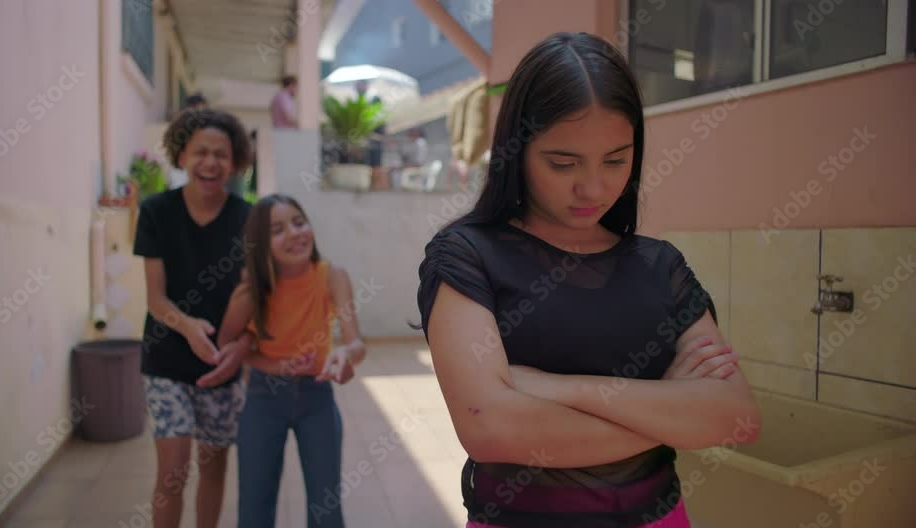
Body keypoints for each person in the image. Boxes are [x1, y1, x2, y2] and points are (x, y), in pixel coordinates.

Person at [414, 32, 761, 528]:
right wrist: (671, 414)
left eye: (616, 159)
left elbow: (737, 416)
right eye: (563, 163)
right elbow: (491, 431)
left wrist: (558, 388)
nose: (594, 187)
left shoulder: (661, 266)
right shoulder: (468, 256)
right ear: (517, 150)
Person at [211, 193, 367, 528]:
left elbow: (356, 343)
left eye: (298, 222)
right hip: (263, 399)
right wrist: (272, 365)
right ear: (261, 244)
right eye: (277, 229)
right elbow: (225, 346)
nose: (295, 233)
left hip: (317, 398)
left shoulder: (332, 276)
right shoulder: (251, 291)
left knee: (326, 511)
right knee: (254, 507)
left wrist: (344, 353)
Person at [133, 108, 254, 528]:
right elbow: (155, 297)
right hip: (165, 360)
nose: (211, 162)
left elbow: (252, 297)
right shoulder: (155, 213)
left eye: (221, 154)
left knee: (214, 468)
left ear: (235, 161)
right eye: (200, 151)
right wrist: (186, 325)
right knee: (172, 472)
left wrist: (241, 349)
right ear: (181, 156)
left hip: (222, 365)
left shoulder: (247, 219)